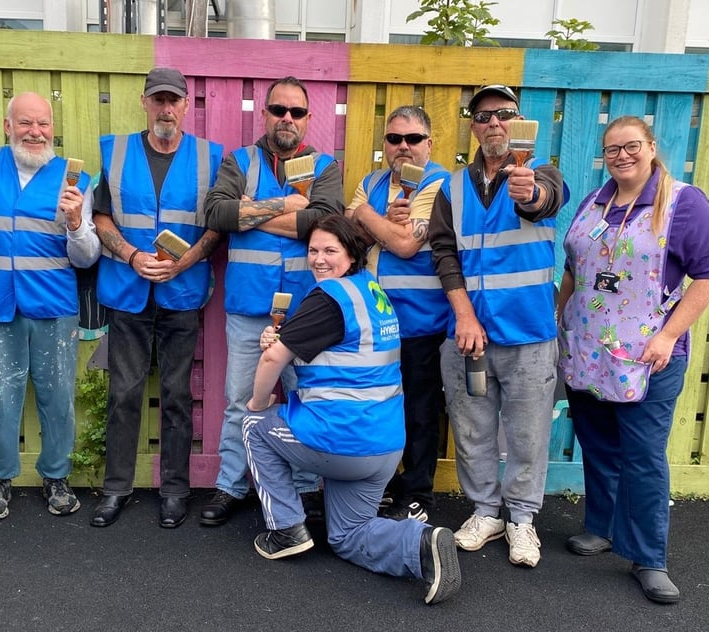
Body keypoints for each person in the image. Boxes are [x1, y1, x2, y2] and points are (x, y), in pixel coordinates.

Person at [242, 215, 460, 605]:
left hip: (342, 442)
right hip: (385, 446)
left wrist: (259, 402)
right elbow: (337, 346)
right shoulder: (370, 291)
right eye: (313, 250)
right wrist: (284, 338)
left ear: (352, 253)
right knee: (347, 534)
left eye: (330, 250)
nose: (318, 259)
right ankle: (422, 544)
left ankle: (287, 530)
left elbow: (273, 359)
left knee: (254, 425)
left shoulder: (328, 298)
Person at [557, 116, 709, 603]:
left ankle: (649, 557)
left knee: (643, 455)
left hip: (648, 356)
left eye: (631, 146)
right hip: (588, 349)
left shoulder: (683, 204)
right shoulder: (595, 201)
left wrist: (669, 335)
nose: (622, 156)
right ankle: (602, 527)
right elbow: (574, 265)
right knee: (598, 443)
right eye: (612, 150)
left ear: (651, 148)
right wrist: (560, 316)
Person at [429, 84, 566, 568]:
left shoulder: (542, 173)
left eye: (504, 114)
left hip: (528, 335)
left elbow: (543, 200)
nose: (494, 123)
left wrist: (530, 191)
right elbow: (443, 253)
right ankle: (486, 512)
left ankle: (522, 520)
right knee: (472, 430)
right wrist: (463, 314)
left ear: (517, 122)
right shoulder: (452, 186)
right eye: (484, 116)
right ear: (473, 125)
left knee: (528, 435)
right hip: (468, 336)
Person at [203, 76, 344, 525]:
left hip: (307, 309)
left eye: (296, 112)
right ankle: (230, 485)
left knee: (306, 399)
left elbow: (323, 222)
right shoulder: (237, 161)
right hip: (250, 306)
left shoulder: (325, 167)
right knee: (241, 399)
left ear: (307, 119)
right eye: (278, 110)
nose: (287, 118)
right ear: (263, 114)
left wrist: (254, 211)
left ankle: (304, 490)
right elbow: (217, 213)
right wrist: (285, 208)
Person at [89, 67, 224, 529]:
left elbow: (216, 226)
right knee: (123, 392)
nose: (166, 108)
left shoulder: (210, 158)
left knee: (176, 395)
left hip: (182, 293)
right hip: (127, 292)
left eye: (174, 101)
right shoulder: (117, 151)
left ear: (186, 106)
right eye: (158, 99)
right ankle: (116, 489)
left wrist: (182, 263)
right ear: (144, 102)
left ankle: (175, 490)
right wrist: (130, 255)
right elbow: (100, 218)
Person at [0, 92, 100, 521]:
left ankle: (55, 477)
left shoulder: (75, 180)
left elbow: (87, 257)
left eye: (43, 124)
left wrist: (77, 224)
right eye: (25, 123)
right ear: (8, 127)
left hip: (54, 305)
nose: (36, 132)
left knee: (56, 397)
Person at [346, 105, 450, 523]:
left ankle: (418, 493)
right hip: (373, 320)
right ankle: (383, 485)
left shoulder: (440, 183)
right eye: (394, 139)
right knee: (379, 405)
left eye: (412, 139)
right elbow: (345, 233)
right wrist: (379, 227)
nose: (403, 147)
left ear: (429, 143)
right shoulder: (371, 180)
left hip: (420, 319)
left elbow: (407, 244)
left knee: (420, 409)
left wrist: (366, 216)